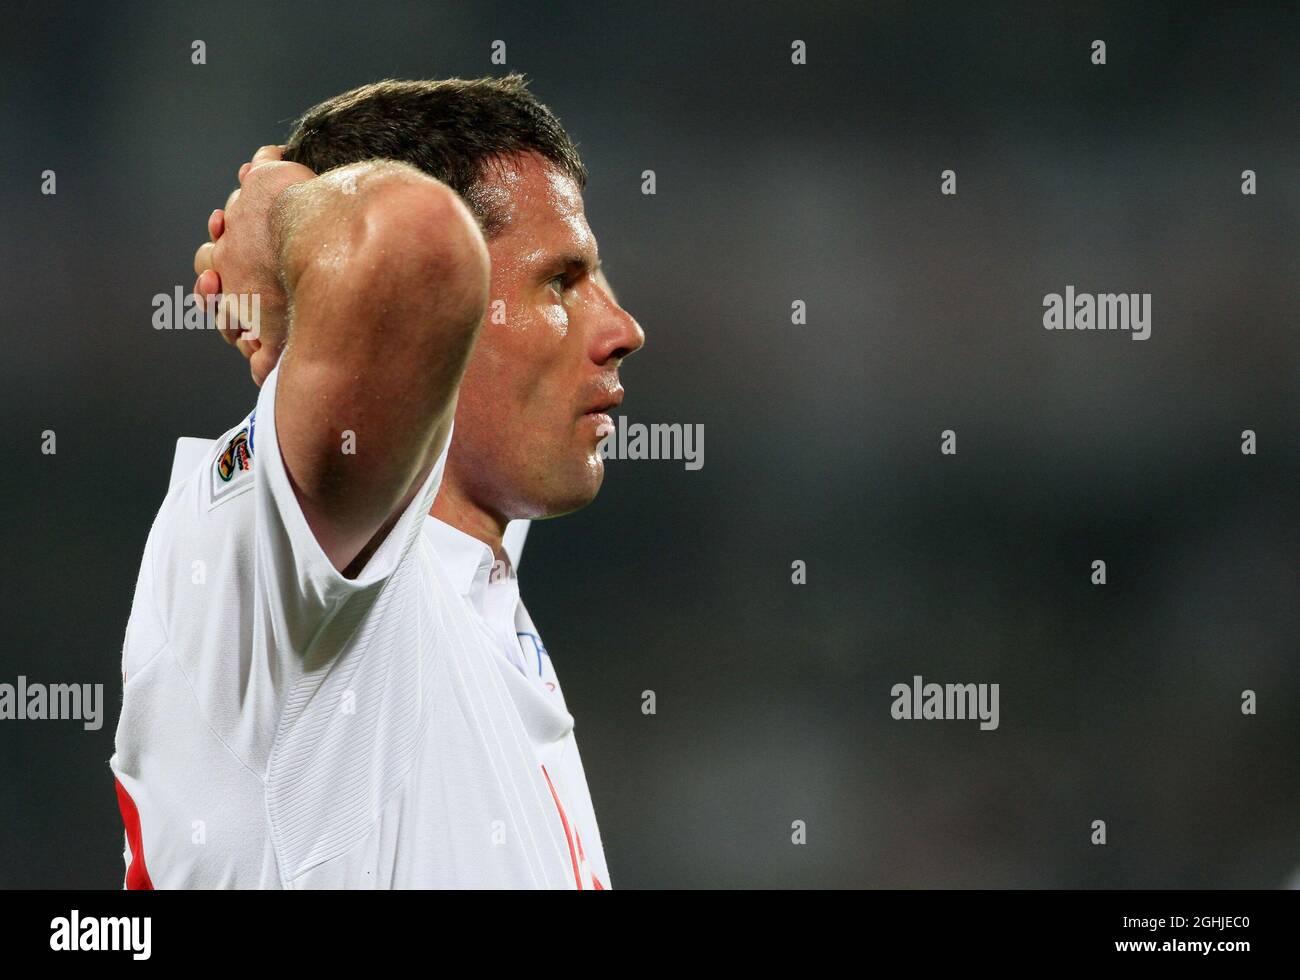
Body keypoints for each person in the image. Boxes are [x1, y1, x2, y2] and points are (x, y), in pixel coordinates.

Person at [110, 75, 645, 888]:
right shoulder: (281, 556)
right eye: (561, 282)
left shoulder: (471, 580)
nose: (622, 328)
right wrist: (278, 215)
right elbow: (407, 237)